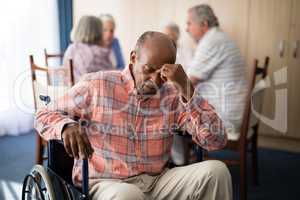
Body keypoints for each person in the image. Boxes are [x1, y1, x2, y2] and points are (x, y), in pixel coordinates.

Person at [35, 31, 232, 200]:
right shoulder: (97, 84)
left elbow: (216, 141)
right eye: (149, 69)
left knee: (216, 171)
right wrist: (66, 126)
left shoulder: (172, 95)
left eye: (163, 73)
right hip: (107, 183)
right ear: (133, 57)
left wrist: (187, 89)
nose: (155, 80)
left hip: (158, 180)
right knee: (128, 195)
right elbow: (43, 114)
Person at [186, 4, 248, 138]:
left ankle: (180, 158)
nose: (187, 29)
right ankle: (189, 154)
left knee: (166, 114)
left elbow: (187, 82)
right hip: (232, 111)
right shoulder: (220, 38)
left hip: (223, 117)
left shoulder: (211, 41)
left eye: (189, 23)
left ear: (204, 24)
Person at [63, 15, 113, 83]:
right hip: (99, 92)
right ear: (98, 32)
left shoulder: (71, 49)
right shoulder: (103, 52)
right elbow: (110, 79)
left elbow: (65, 76)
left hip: (73, 90)